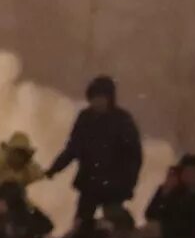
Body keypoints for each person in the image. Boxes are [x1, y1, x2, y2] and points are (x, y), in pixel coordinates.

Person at [44, 76, 144, 225]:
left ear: (110, 99)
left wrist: (128, 183)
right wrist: (54, 169)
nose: (97, 102)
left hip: (115, 184)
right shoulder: (85, 118)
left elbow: (134, 157)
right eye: (94, 97)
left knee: (114, 224)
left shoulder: (122, 121)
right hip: (89, 182)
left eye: (102, 97)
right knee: (81, 224)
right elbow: (72, 148)